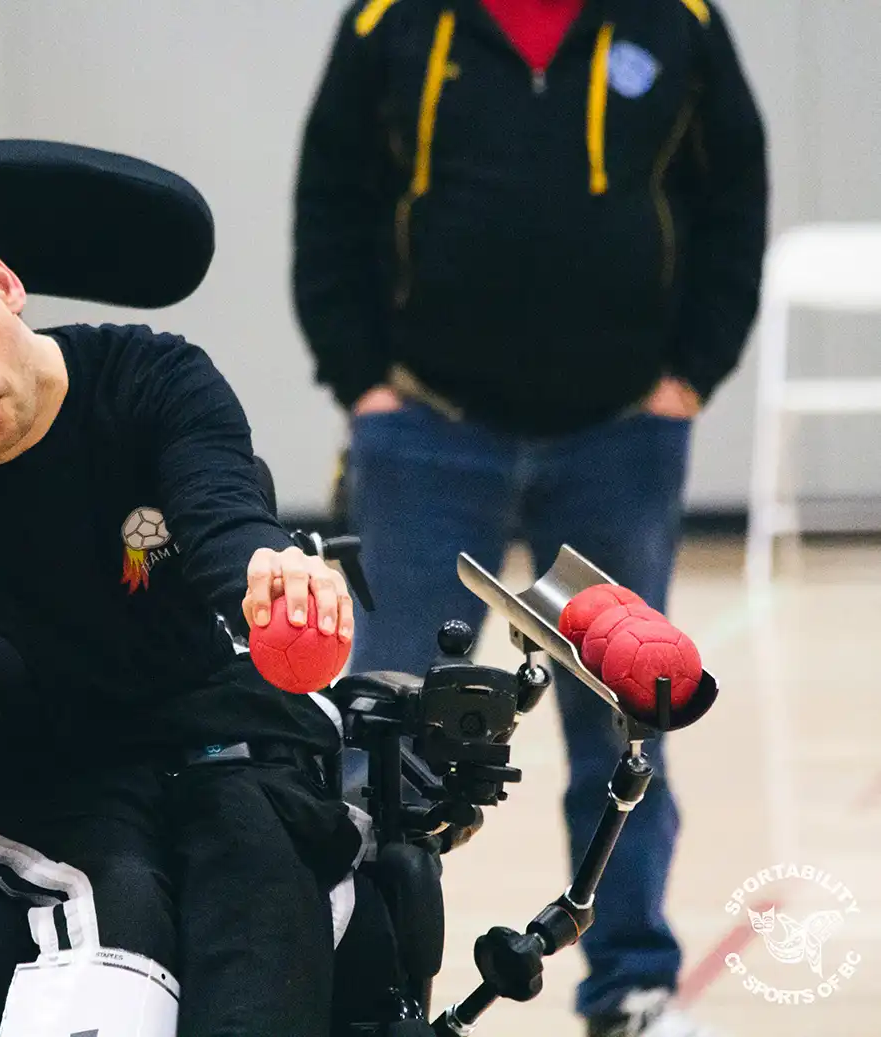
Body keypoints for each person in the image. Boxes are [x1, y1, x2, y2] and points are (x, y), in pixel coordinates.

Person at [292, 1, 767, 1035]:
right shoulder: (391, 22)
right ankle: (357, 988)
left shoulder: (677, 20)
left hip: (618, 438)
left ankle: (630, 983)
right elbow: (330, 195)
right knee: (387, 730)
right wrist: (360, 378)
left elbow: (734, 193)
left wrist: (690, 375)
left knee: (626, 717)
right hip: (426, 433)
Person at [0, 213, 363, 1037]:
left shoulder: (153, 377)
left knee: (261, 885)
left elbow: (222, 516)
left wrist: (270, 568)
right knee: (118, 920)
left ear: (1, 283)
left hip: (211, 729)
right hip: (41, 774)